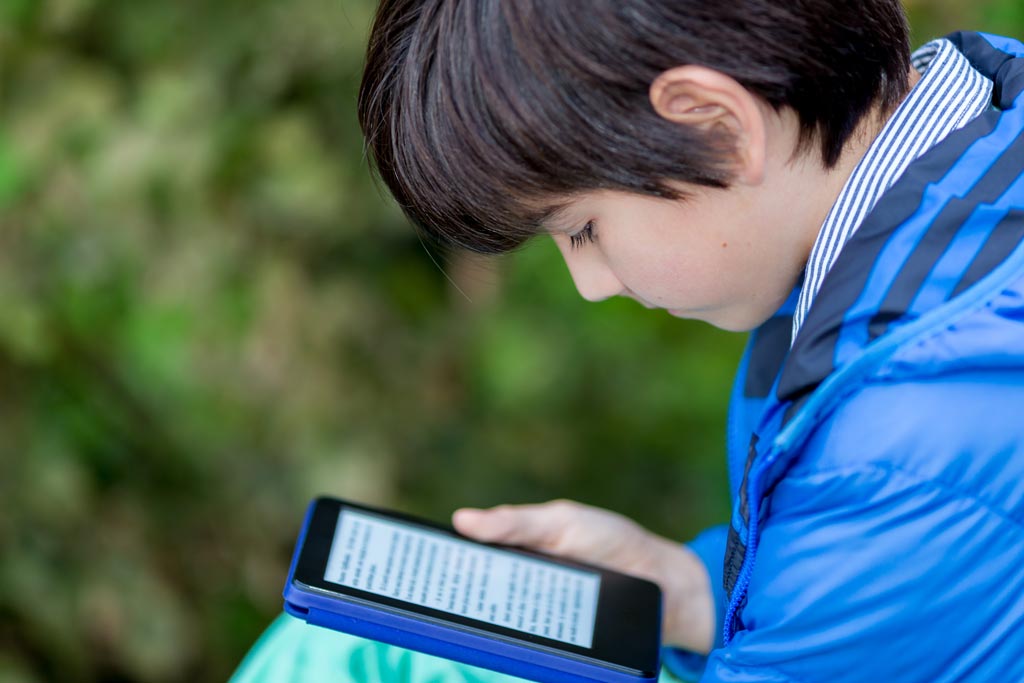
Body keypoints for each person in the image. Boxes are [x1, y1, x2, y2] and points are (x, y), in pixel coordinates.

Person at [232, 1, 1024, 681]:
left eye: (581, 229)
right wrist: (684, 589)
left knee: (345, 656)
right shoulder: (983, 137)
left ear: (716, 125)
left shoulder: (901, 441)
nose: (591, 281)